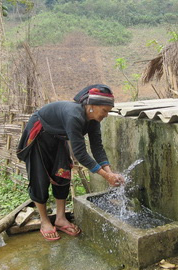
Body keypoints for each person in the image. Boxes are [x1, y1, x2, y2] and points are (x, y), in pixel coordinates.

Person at [17, 84, 125, 241]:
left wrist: (110, 173)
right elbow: (81, 153)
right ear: (92, 106)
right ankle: (45, 221)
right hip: (40, 136)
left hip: (58, 137)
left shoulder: (94, 120)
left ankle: (60, 219)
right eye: (105, 111)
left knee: (62, 174)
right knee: (39, 179)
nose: (106, 115)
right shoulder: (74, 116)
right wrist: (105, 176)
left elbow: (97, 148)